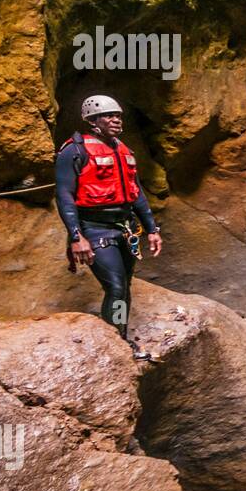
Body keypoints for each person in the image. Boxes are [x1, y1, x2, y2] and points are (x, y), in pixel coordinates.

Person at [55, 95, 163, 360]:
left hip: (124, 227)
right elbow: (65, 195)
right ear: (93, 121)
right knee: (114, 286)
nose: (116, 120)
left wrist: (152, 228)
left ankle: (120, 339)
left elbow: (136, 193)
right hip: (94, 228)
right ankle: (114, 345)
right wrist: (76, 237)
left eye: (118, 115)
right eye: (109, 116)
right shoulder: (74, 150)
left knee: (124, 286)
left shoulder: (122, 149)